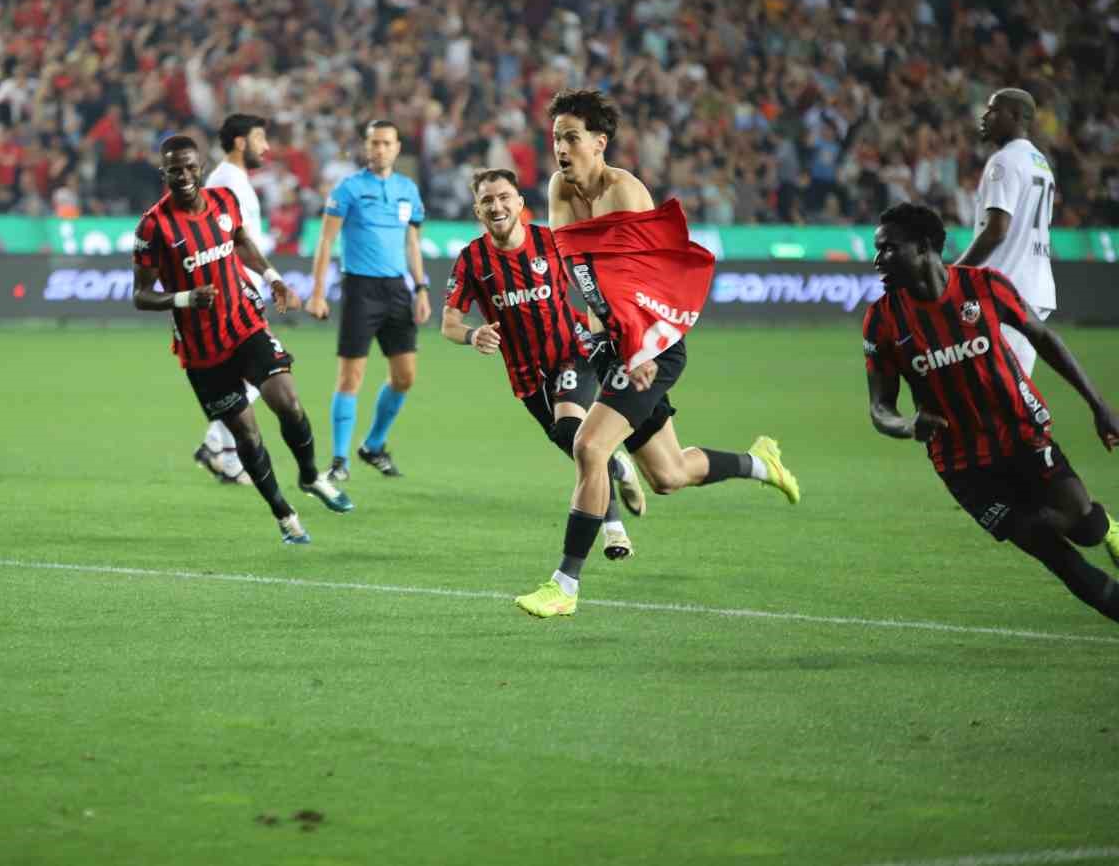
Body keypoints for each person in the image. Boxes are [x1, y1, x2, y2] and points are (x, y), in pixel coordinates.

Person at [516, 90, 801, 619]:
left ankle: (564, 586)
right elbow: (583, 271)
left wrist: (639, 347)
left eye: (572, 137)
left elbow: (646, 284)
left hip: (652, 344)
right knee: (668, 475)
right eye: (556, 137)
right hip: (612, 344)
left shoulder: (627, 194)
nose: (560, 147)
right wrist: (600, 336)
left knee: (589, 447)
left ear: (600, 143)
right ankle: (760, 463)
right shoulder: (561, 186)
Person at [864, 202, 1119, 620]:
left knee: (1084, 525)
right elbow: (879, 407)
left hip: (1021, 433)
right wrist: (907, 425)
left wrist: (1099, 405)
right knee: (1053, 553)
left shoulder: (984, 286)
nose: (878, 260)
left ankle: (1104, 525)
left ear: (925, 247)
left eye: (889, 249)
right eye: (877, 250)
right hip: (963, 465)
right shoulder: (882, 320)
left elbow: (1043, 338)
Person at [132, 134, 353, 544]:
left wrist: (273, 279)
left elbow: (241, 242)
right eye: (174, 169)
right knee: (247, 436)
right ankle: (284, 514)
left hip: (245, 324)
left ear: (200, 167)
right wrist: (184, 298)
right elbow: (140, 295)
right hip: (202, 351)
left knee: (287, 399)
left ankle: (309, 476)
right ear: (163, 173)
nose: (183, 175)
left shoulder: (223, 202)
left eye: (189, 167)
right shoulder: (153, 226)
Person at [441, 168, 645, 560]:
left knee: (573, 429)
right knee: (572, 443)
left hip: (573, 350)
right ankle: (617, 466)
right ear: (477, 211)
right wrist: (471, 335)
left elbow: (594, 283)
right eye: (487, 201)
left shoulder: (551, 242)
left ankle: (614, 529)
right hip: (525, 375)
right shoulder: (472, 259)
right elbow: (448, 322)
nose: (496, 206)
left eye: (503, 197)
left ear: (520, 203)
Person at [305, 120, 430, 481]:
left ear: (397, 147)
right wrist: (317, 294)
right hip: (360, 288)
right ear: (365, 146)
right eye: (374, 143)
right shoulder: (348, 189)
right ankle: (340, 461)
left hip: (397, 291)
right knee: (350, 377)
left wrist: (421, 287)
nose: (379, 149)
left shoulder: (408, 190)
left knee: (405, 377)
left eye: (386, 143)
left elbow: (412, 244)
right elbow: (326, 241)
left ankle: (373, 446)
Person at [191, 113, 281, 486]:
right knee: (269, 367)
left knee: (246, 374)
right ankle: (216, 444)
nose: (267, 146)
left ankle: (226, 458)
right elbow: (223, 240)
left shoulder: (234, 180)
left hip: (241, 290)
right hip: (234, 292)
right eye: (261, 138)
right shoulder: (226, 182)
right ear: (241, 142)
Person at [954, 88, 1057, 376]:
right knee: (1010, 396)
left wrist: (954, 273)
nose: (984, 117)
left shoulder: (1005, 161)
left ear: (1014, 116)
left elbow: (996, 231)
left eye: (993, 110)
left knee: (988, 393)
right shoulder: (1040, 163)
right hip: (1034, 289)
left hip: (1005, 291)